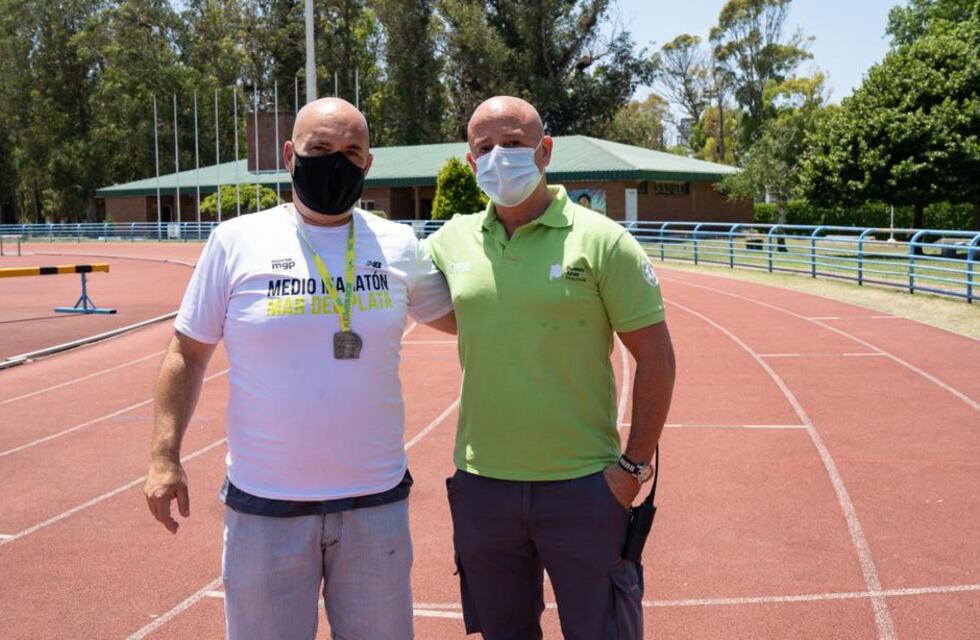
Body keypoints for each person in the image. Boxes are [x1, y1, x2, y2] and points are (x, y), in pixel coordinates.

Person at [144, 97, 454, 640]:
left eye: (351, 151)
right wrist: (163, 457)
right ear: (290, 154)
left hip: (374, 503)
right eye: (320, 149)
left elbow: (471, 319)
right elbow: (186, 354)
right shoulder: (236, 240)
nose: (335, 161)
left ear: (368, 164)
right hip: (265, 508)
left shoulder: (399, 243)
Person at [423, 96, 676, 640]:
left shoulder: (602, 240)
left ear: (544, 151)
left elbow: (656, 358)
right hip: (483, 488)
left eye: (513, 144)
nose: (499, 157)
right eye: (484, 148)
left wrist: (632, 469)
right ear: (470, 162)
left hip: (585, 486)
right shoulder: (450, 241)